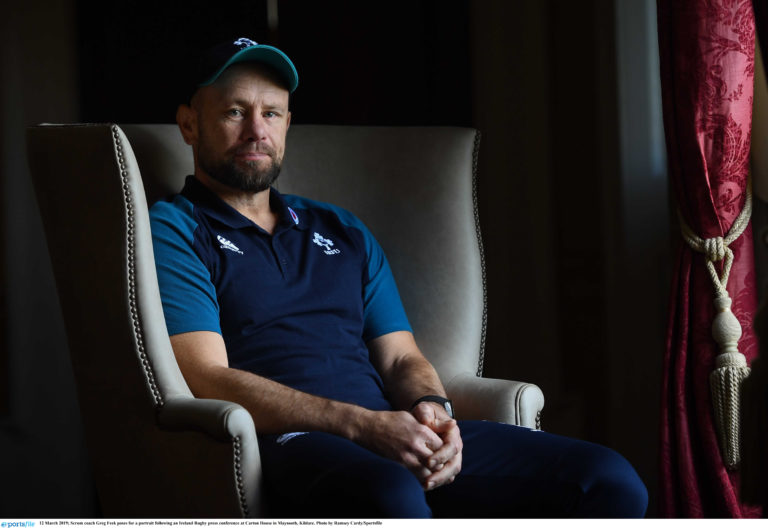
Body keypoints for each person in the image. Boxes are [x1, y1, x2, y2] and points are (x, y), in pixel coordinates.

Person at [149, 37, 648, 518]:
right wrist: (359, 426)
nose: (257, 130)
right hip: (287, 441)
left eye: (272, 113)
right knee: (391, 498)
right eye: (235, 111)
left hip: (390, 426)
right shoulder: (174, 228)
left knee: (608, 478)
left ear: (287, 123)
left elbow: (402, 355)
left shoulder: (342, 229)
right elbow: (205, 377)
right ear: (189, 124)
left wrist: (432, 409)